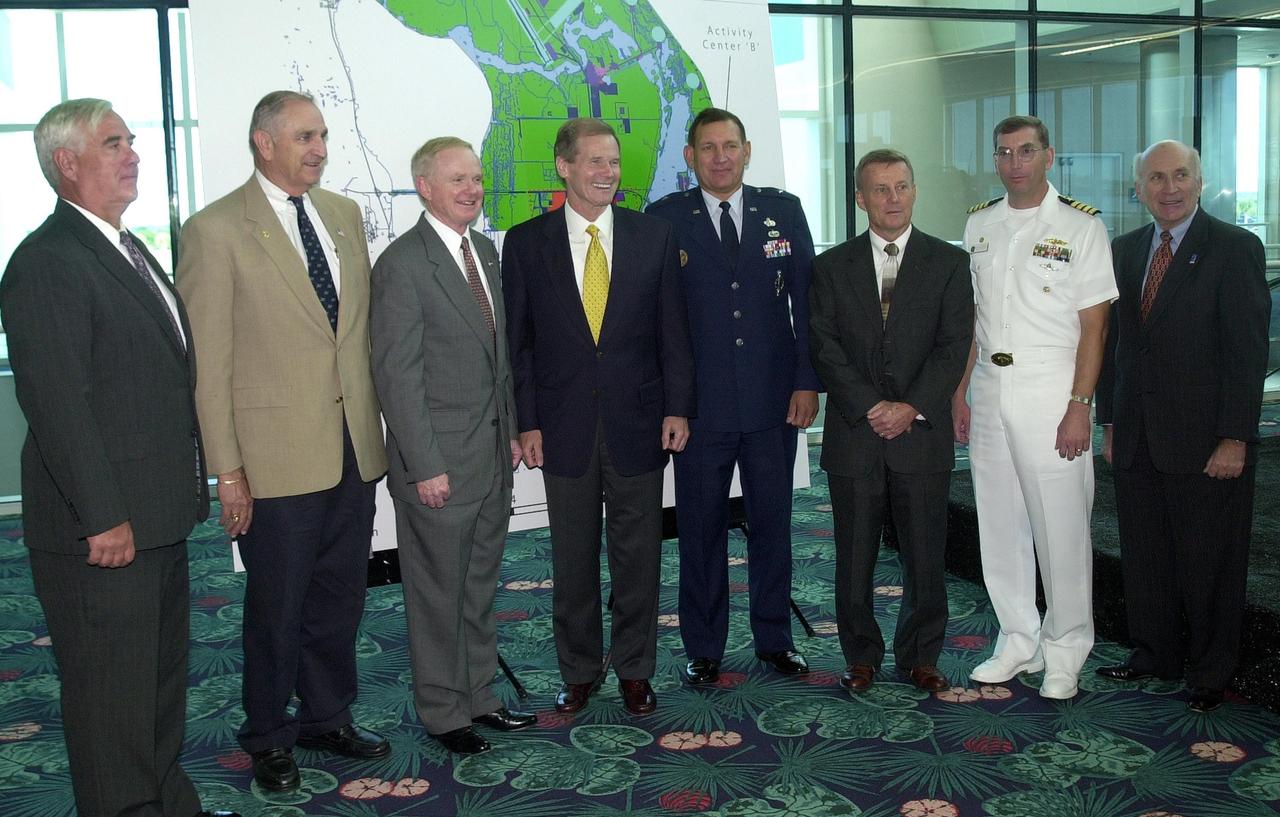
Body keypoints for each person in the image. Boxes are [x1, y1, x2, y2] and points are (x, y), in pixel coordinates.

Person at [0, 98, 237, 817]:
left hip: (155, 519)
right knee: (111, 702)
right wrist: (102, 517)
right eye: (113, 143)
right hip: (103, 535)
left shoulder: (125, 248)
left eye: (131, 140)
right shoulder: (47, 262)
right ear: (66, 164)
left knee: (156, 686)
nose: (132, 153)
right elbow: (59, 406)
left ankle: (167, 800)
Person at [176, 90, 389, 791]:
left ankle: (328, 713)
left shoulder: (343, 216)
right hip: (273, 459)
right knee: (277, 605)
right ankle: (267, 732)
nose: (320, 148)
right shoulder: (215, 231)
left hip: (352, 447)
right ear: (263, 142)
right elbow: (211, 365)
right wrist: (227, 472)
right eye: (305, 136)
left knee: (339, 596)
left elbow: (350, 338)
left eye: (323, 135)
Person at [502, 117, 696, 716]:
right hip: (561, 427)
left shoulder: (653, 236)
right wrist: (525, 420)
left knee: (638, 558)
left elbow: (673, 333)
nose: (607, 173)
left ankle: (636, 669)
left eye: (613, 162)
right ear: (564, 167)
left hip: (640, 422)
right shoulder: (526, 241)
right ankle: (580, 670)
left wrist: (677, 408)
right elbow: (521, 344)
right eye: (594, 162)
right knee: (573, 558)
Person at [370, 136, 534, 754]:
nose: (472, 189)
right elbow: (397, 376)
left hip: (491, 459)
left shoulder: (485, 251)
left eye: (476, 178)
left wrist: (515, 430)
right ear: (425, 188)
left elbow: (499, 362)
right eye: (457, 180)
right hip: (438, 467)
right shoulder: (403, 265)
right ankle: (443, 713)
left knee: (479, 587)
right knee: (438, 595)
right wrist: (424, 464)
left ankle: (481, 697)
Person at [1094, 140, 1270, 713]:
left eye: (1180, 176)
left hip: (1207, 441)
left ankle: (1211, 671)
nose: (1168, 188)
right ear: (1138, 187)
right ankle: (1155, 653)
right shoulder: (1123, 249)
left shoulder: (1234, 247)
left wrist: (1236, 436)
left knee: (1209, 562)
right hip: (1138, 436)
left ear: (1200, 181)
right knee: (1146, 554)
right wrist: (1111, 420)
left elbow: (1247, 354)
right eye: (1155, 178)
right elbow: (1113, 345)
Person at [645, 107, 819, 685]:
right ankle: (705, 645)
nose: (720, 156)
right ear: (690, 156)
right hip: (702, 409)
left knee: (773, 523)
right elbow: (660, 321)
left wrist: (806, 381)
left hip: (775, 403)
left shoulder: (782, 211)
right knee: (700, 529)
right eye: (708, 147)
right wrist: (673, 402)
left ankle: (775, 639)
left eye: (730, 146)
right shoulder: (666, 218)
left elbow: (807, 303)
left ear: (747, 151)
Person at [952, 115, 1116, 700]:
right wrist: (959, 392)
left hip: (1053, 386)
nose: (1014, 162)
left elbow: (1095, 326)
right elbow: (970, 323)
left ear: (1049, 156)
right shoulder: (979, 224)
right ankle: (1018, 637)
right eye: (1004, 153)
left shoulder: (1081, 227)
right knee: (999, 522)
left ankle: (1067, 647)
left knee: (1062, 525)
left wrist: (1080, 405)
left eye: (1026, 151)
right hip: (989, 390)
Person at [809, 149, 973, 693]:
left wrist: (911, 407)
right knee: (854, 557)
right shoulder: (831, 266)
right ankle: (861, 656)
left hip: (920, 433)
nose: (893, 198)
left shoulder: (948, 263)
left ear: (915, 190)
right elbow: (824, 346)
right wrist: (869, 406)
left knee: (926, 555)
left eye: (901, 186)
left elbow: (954, 346)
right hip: (856, 434)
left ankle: (921, 656)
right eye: (880, 189)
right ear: (861, 199)